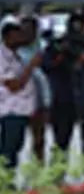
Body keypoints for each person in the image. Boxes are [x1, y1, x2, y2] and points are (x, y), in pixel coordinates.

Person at [43, 10, 84, 180]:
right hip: (64, 98)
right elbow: (46, 65)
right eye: (74, 23)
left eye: (80, 23)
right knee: (61, 140)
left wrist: (79, 55)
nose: (77, 27)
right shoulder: (57, 44)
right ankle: (57, 174)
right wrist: (63, 52)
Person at [1, 17, 41, 174]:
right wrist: (31, 66)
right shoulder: (2, 58)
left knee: (16, 146)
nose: (21, 38)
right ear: (7, 37)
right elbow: (15, 85)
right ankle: (5, 181)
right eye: (17, 35)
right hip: (10, 109)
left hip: (22, 109)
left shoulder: (16, 55)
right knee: (8, 149)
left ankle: (9, 178)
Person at [17, 16, 51, 165]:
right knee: (14, 140)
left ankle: (38, 170)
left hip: (40, 98)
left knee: (39, 139)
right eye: (23, 30)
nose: (27, 33)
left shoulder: (43, 48)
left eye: (31, 29)